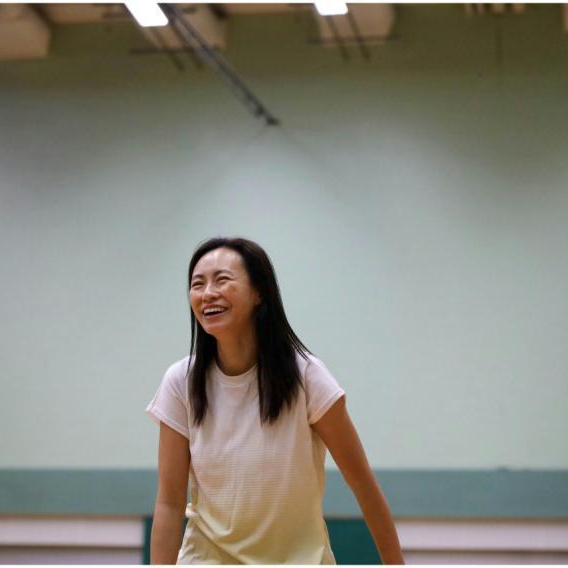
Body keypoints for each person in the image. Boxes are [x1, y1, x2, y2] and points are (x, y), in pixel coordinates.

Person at [146, 236, 404, 564]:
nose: (207, 292)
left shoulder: (308, 376)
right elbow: (168, 503)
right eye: (198, 284)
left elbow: (363, 485)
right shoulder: (180, 382)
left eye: (222, 279)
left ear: (259, 292)